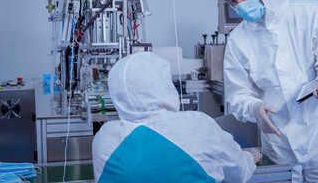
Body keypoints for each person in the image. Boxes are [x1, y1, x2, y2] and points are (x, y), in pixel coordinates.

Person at [220, 0, 318, 182]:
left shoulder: (310, 13)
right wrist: (254, 106)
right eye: (234, 0)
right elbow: (236, 95)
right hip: (279, 142)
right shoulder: (238, 39)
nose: (241, 2)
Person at [92, 52, 256, 183]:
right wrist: (250, 158)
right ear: (163, 85)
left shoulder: (104, 138)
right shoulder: (198, 125)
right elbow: (238, 173)